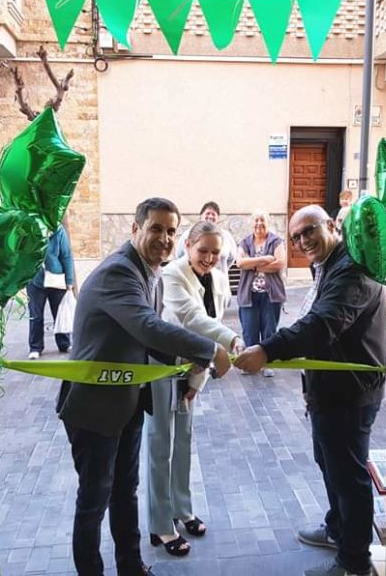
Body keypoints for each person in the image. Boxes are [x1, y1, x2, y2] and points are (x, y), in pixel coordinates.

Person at [56, 197, 231, 576]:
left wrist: (189, 374)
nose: (165, 238)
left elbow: (147, 341)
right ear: (135, 229)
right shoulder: (120, 272)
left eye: (171, 230)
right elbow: (148, 327)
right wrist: (209, 350)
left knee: (124, 492)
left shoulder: (148, 270)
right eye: (156, 228)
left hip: (127, 403)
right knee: (93, 502)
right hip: (94, 408)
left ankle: (131, 566)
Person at [234, 205, 386, 576]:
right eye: (296, 237)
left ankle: (354, 563)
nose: (303, 241)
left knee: (349, 477)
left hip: (349, 394)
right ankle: (338, 529)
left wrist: (268, 349)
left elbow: (321, 325)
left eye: (309, 231)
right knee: (330, 464)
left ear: (332, 226)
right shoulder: (331, 266)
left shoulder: (350, 271)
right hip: (330, 391)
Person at [147, 221, 244, 557]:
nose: (209, 257)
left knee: (183, 442)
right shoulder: (172, 274)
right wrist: (231, 340)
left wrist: (197, 380)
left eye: (216, 252)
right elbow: (190, 318)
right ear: (188, 246)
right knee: (161, 445)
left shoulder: (219, 279)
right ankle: (160, 524)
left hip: (194, 366)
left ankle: (182, 509)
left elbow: (211, 326)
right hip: (161, 366)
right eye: (203, 250)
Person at [236, 210, 286, 376]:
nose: (259, 224)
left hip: (271, 295)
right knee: (249, 330)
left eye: (262, 220)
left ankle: (268, 362)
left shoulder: (276, 241)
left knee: (269, 330)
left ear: (268, 223)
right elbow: (240, 263)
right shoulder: (245, 242)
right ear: (252, 223)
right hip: (249, 293)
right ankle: (251, 364)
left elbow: (280, 263)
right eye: (256, 220)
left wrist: (253, 265)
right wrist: (264, 260)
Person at [26, 223, 74, 359]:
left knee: (59, 312)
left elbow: (66, 256)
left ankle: (64, 343)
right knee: (35, 315)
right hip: (35, 280)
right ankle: (35, 347)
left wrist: (69, 281)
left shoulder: (58, 231)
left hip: (56, 278)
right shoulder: (30, 229)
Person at [175, 201, 237, 283]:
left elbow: (231, 258)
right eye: (208, 213)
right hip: (192, 280)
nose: (210, 216)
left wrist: (220, 269)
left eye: (213, 214)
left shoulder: (225, 236)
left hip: (218, 282)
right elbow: (179, 255)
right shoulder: (189, 234)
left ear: (218, 218)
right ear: (201, 216)